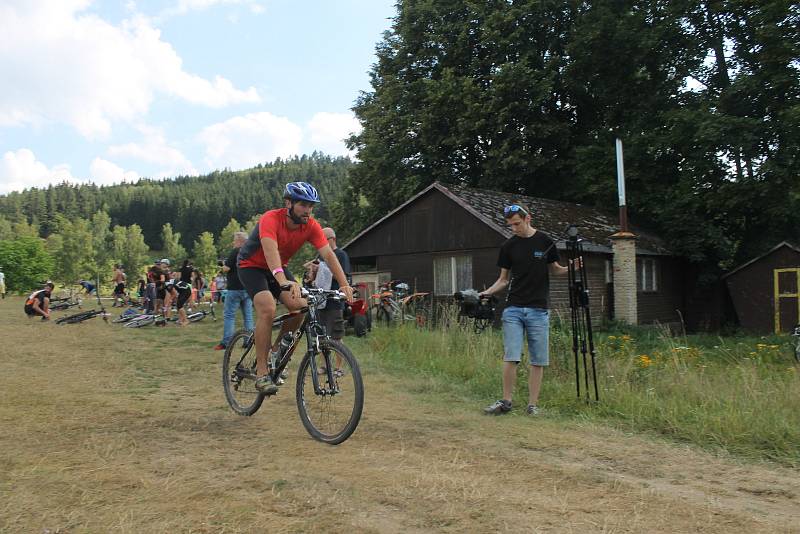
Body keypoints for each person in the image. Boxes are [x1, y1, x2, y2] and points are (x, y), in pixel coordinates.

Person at [237, 181, 353, 395]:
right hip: (251, 266)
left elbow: (329, 255)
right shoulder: (270, 219)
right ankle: (262, 373)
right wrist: (283, 282)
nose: (308, 210)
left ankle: (276, 351)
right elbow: (271, 254)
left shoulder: (311, 225)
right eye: (303, 205)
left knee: (300, 307)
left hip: (279, 268)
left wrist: (344, 284)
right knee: (268, 309)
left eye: (311, 206)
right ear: (288, 203)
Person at [480, 204, 578, 416]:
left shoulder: (545, 241)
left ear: (528, 218)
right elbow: (503, 280)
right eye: (510, 225)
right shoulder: (508, 246)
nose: (514, 228)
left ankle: (532, 406)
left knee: (538, 359)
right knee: (511, 355)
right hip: (513, 308)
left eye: (517, 223)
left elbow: (555, 270)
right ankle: (506, 402)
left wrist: (572, 268)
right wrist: (485, 293)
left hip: (538, 309)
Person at [214, 231, 254, 350]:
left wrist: (222, 265)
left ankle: (227, 342)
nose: (233, 242)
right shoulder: (251, 252)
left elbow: (227, 268)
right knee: (248, 316)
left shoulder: (236, 251)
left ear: (240, 241)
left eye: (235, 240)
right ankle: (249, 340)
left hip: (234, 288)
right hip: (247, 287)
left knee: (229, 315)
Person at [316, 227, 351, 358]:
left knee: (336, 337)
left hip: (335, 302)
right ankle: (326, 366)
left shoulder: (341, 255)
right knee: (321, 337)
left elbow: (344, 277)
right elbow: (317, 278)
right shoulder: (320, 256)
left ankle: (338, 368)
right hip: (321, 301)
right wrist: (314, 271)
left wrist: (326, 269)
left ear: (333, 239)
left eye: (324, 240)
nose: (322, 243)